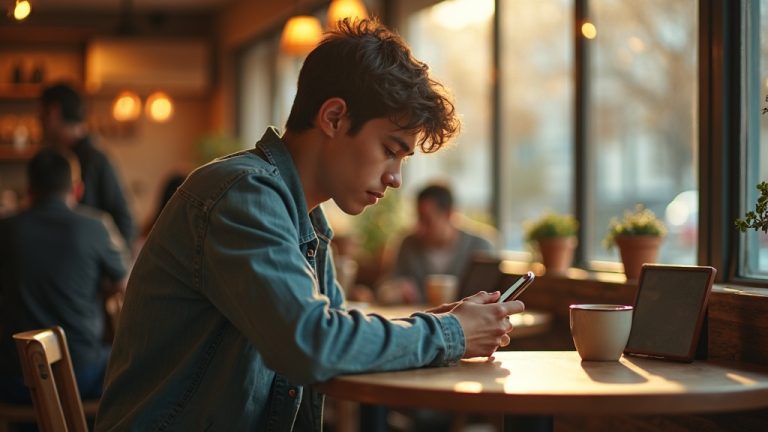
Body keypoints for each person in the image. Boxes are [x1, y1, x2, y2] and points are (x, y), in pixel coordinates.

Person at [95, 19, 524, 431]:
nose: (395, 178)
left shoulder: (303, 217)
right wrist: (447, 333)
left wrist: (434, 322)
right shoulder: (243, 196)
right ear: (334, 118)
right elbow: (313, 344)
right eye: (389, 150)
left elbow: (331, 327)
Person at [0, 149, 128, 405]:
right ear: (77, 189)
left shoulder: (5, 229)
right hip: (79, 374)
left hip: (13, 378)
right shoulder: (96, 227)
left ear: (30, 190)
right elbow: (126, 286)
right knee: (124, 362)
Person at [39, 82, 135, 245]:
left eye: (41, 115)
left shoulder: (93, 159)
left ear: (54, 113)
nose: (39, 122)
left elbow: (125, 223)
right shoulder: (76, 155)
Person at [378, 182, 496, 304]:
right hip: (420, 320)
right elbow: (385, 287)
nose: (420, 228)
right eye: (418, 218)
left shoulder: (480, 247)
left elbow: (491, 296)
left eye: (427, 220)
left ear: (449, 214)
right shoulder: (409, 244)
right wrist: (394, 291)